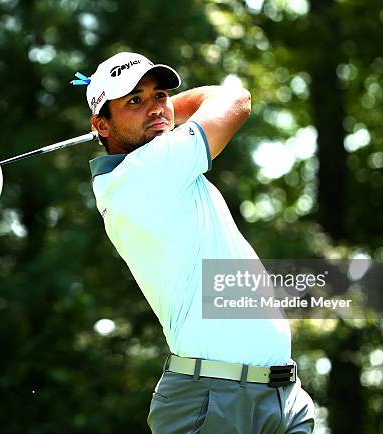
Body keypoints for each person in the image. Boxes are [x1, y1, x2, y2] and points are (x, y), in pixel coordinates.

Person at [76, 52, 315, 433]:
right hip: (214, 402)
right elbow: (235, 99)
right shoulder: (149, 170)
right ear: (101, 125)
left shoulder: (147, 168)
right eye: (134, 100)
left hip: (280, 396)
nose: (155, 108)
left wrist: (154, 113)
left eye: (159, 95)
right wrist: (168, 114)